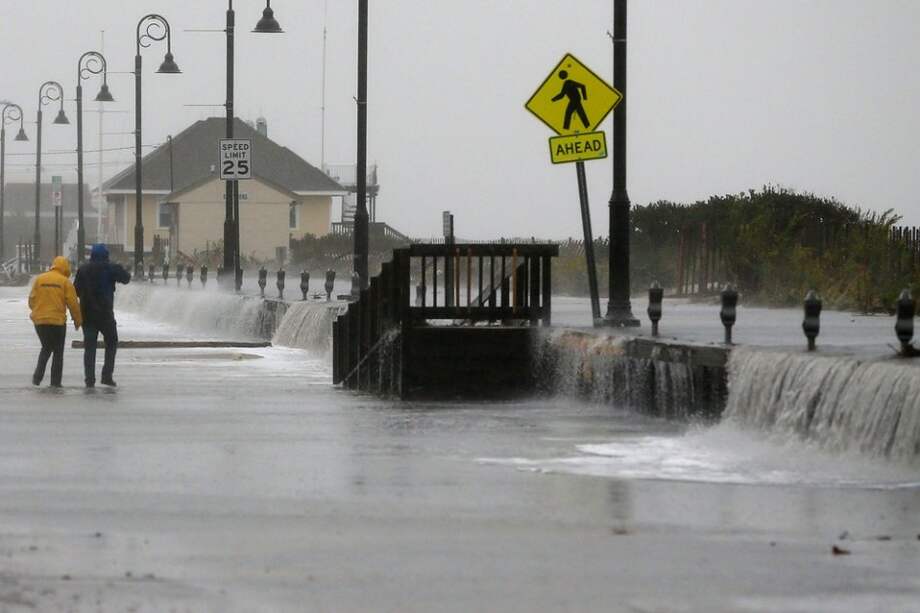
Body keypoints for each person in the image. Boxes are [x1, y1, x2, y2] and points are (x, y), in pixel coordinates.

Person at [74, 244, 131, 388]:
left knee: (90, 347)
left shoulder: (83, 269)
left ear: (92, 255)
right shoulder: (111, 268)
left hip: (87, 314)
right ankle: (106, 376)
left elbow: (75, 290)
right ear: (106, 255)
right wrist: (123, 268)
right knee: (111, 343)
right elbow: (126, 279)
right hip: (105, 313)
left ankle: (89, 380)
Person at [28, 256, 83, 388]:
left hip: (40, 322)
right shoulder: (65, 282)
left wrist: (38, 310)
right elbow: (73, 304)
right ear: (65, 267)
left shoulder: (40, 279)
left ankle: (37, 377)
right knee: (58, 352)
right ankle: (55, 382)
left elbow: (31, 300)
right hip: (57, 323)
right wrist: (78, 321)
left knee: (46, 348)